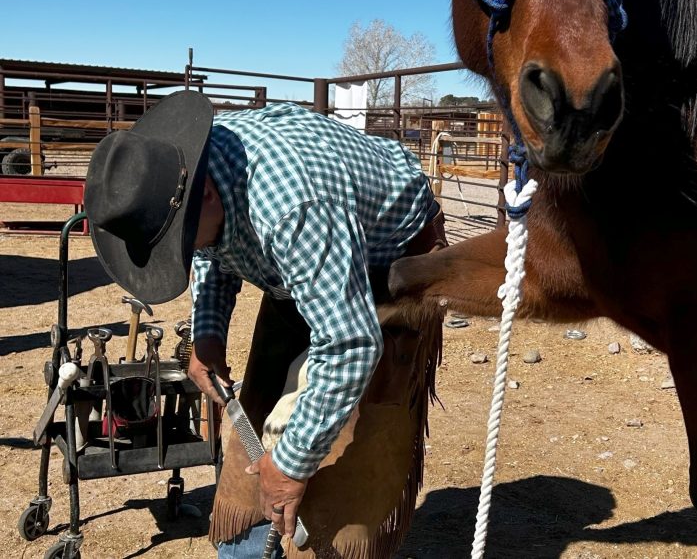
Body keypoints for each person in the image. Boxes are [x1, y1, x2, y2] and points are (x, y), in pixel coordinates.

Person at [85, 90, 445, 558]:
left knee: (346, 457)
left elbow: (351, 343)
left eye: (181, 243)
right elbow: (208, 247)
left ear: (205, 193)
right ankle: (250, 547)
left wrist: (293, 464)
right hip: (309, 258)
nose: (185, 253)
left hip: (390, 262)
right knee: (256, 430)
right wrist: (208, 332)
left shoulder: (293, 207)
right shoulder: (191, 173)